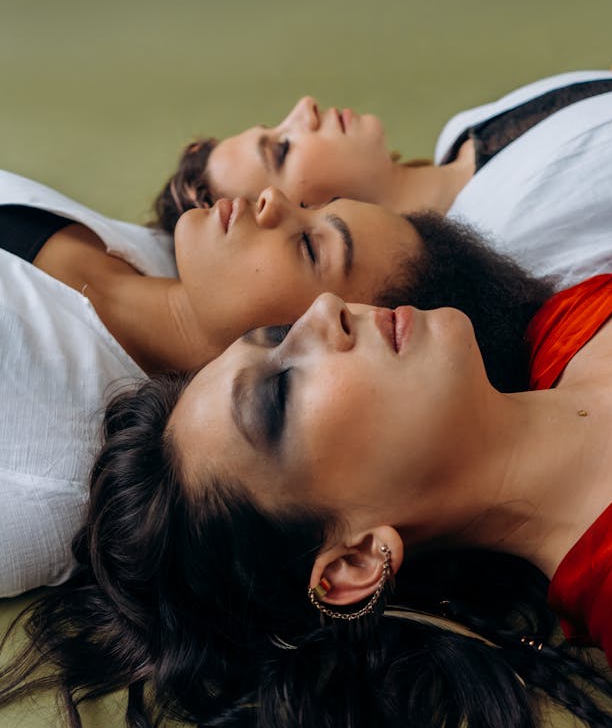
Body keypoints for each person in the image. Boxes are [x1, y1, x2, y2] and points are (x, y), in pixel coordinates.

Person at [11, 223, 612, 728]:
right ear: (354, 564)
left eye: (279, 330)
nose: (323, 311)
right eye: (279, 397)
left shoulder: (573, 314)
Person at [4, 172, 517, 594]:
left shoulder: (48, 476)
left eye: (311, 247)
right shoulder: (157, 252)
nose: (272, 197)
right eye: (308, 203)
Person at [155, 15, 612, 285]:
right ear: (304, 212)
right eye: (282, 149)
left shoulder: (463, 134)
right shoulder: (509, 232)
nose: (305, 107)